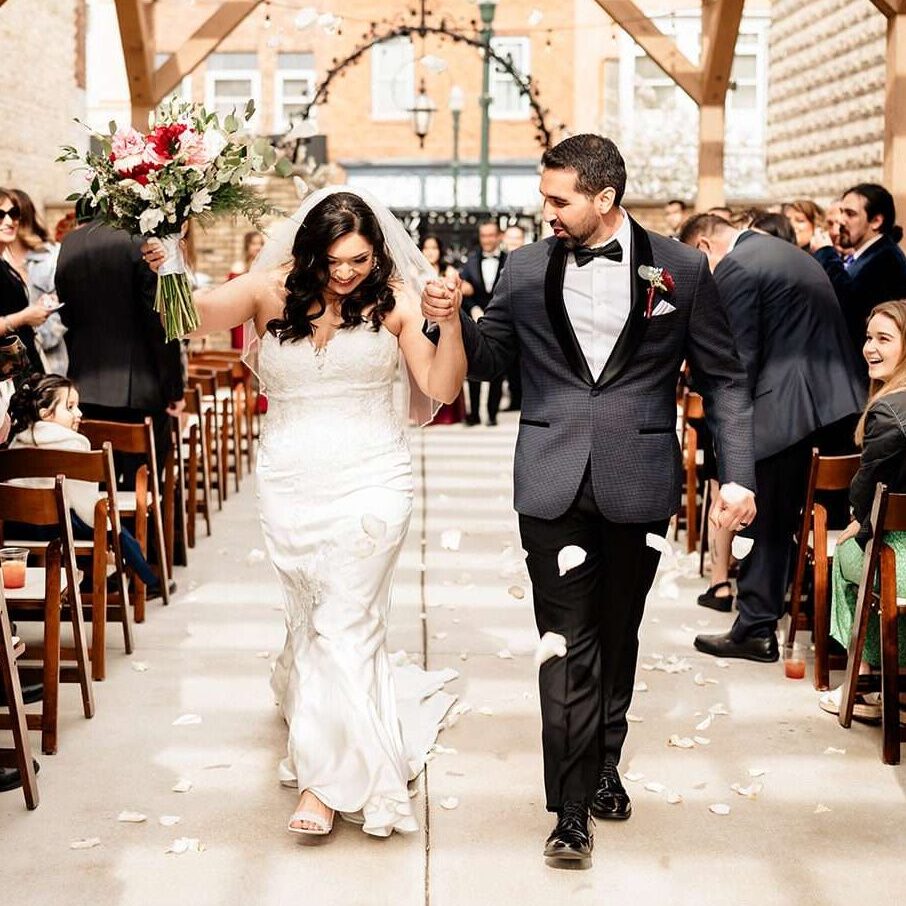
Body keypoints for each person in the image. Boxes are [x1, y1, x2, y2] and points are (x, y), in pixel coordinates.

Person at [423, 135, 756, 865]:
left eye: (558, 199)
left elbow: (724, 377)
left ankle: (606, 758)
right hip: (550, 477)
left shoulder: (682, 268)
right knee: (565, 642)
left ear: (604, 199)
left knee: (618, 629)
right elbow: (492, 361)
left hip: (638, 476)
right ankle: (570, 810)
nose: (545, 211)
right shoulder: (524, 266)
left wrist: (738, 475)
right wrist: (452, 320)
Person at [145, 187, 467, 839]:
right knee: (314, 620)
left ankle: (326, 783)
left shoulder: (398, 302)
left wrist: (453, 322)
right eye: (333, 260)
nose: (346, 273)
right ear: (307, 251)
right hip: (291, 481)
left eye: (358, 259)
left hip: (375, 479)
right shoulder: (269, 290)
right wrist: (172, 264)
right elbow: (186, 320)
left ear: (376, 252)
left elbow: (439, 388)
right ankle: (322, 727)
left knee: (346, 619)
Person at [679, 214, 865, 658]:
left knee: (766, 517)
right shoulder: (784, 253)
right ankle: (832, 631)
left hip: (788, 411)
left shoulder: (737, 267)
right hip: (837, 404)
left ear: (704, 246)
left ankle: (756, 628)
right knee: (820, 518)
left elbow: (736, 363)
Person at [817, 300, 906, 720]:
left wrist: (857, 523)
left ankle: (864, 681)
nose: (870, 347)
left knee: (847, 559)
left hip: (898, 556)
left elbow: (865, 490)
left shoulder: (888, 410)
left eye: (884, 339)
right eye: (869, 337)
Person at [54, 212, 185, 483]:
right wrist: (174, 388)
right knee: (144, 487)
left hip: (83, 386)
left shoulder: (71, 242)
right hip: (141, 388)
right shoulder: (143, 241)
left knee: (95, 485)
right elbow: (158, 322)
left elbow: (65, 313)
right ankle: (144, 527)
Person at [5, 373, 160, 591]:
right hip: (61, 529)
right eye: (69, 407)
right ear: (46, 413)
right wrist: (108, 527)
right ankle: (147, 580)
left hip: (20, 528)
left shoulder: (15, 443)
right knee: (108, 520)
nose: (79, 413)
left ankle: (96, 579)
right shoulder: (75, 444)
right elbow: (87, 506)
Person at [813, 184, 906, 356]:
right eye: (841, 212)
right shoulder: (870, 254)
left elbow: (850, 307)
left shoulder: (886, 259)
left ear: (876, 221)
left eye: (850, 214)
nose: (841, 221)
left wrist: (826, 254)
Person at [7, 189, 68, 374]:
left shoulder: (52, 255)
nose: (8, 221)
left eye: (13, 214)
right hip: (9, 364)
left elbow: (64, 309)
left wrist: (35, 337)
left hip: (49, 361)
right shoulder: (3, 262)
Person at [459, 221, 506, 425]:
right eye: (483, 236)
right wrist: (473, 309)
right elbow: (462, 290)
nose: (487, 240)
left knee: (498, 368)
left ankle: (492, 413)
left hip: (502, 322)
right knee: (474, 367)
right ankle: (474, 414)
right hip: (475, 322)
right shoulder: (470, 261)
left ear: (498, 236)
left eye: (490, 235)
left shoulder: (511, 260)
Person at [0, 188, 50, 375]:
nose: (9, 221)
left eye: (14, 214)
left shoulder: (5, 263)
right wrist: (24, 317)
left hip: (23, 369)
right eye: (0, 215)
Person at [420, 234, 465, 425]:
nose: (430, 252)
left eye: (434, 248)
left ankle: (448, 414)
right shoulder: (413, 272)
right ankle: (425, 413)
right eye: (427, 248)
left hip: (443, 324)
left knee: (447, 364)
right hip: (420, 325)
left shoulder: (449, 272)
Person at [228, 230, 264, 349]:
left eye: (260, 244)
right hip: (241, 319)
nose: (258, 247)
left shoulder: (266, 269)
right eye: (254, 244)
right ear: (247, 245)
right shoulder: (238, 268)